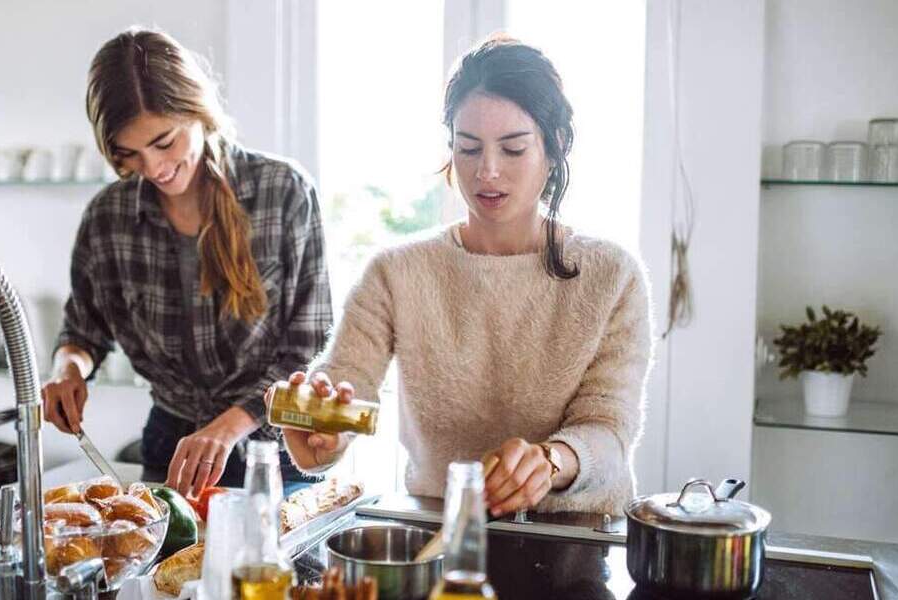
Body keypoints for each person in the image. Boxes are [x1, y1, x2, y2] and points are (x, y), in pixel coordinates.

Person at [277, 35, 653, 516]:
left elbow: (609, 428)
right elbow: (344, 381)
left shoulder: (613, 276)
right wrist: (321, 430)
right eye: (469, 148)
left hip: (576, 534)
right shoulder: (396, 272)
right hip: (440, 531)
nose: (487, 172)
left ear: (555, 145)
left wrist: (551, 461)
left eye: (513, 149)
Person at [42, 27, 332, 497]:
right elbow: (83, 330)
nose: (154, 168)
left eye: (164, 142)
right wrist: (67, 369)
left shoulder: (284, 193)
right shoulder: (107, 217)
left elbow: (310, 350)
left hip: (276, 453)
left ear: (198, 110)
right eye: (129, 154)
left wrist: (228, 426)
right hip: (170, 449)